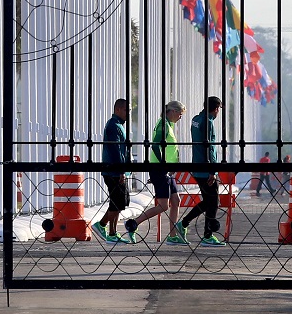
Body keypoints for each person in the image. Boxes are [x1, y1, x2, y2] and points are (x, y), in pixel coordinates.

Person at [123, 101, 185, 244]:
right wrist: (163, 161)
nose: (180, 117)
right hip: (159, 169)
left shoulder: (169, 125)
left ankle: (173, 235)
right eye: (180, 114)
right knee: (163, 205)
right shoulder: (162, 125)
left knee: (176, 201)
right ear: (173, 111)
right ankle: (133, 224)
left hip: (167, 170)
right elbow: (156, 145)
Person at [173, 96, 226, 247]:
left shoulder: (196, 119)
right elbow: (209, 147)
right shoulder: (208, 122)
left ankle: (183, 223)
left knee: (208, 201)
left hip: (196, 166)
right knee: (213, 202)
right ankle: (207, 236)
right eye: (218, 110)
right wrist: (213, 171)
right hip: (206, 168)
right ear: (216, 109)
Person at [92, 98, 131, 244]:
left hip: (118, 170)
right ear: (118, 110)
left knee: (120, 202)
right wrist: (121, 170)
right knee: (117, 202)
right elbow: (115, 150)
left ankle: (112, 233)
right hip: (114, 171)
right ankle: (102, 225)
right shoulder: (113, 125)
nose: (128, 113)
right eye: (126, 110)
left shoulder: (118, 125)